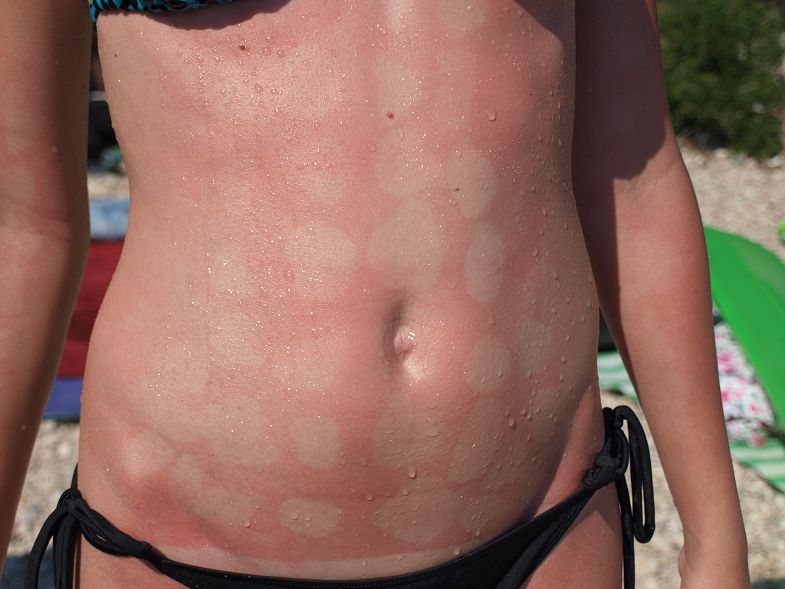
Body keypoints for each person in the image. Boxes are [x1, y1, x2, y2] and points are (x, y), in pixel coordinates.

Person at [0, 1, 750, 587]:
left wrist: (716, 543)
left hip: (543, 519)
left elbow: (633, 178)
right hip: (178, 540)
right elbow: (28, 231)